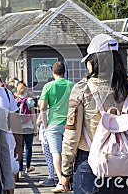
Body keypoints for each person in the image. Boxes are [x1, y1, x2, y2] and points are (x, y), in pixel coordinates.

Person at [61, 34, 128, 194]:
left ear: (94, 62)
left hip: (90, 166)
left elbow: (72, 136)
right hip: (125, 167)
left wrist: (65, 171)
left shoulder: (82, 90)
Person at [38, 61, 75, 193]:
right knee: (70, 153)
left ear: (53, 73)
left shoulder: (48, 86)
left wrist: (45, 125)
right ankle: (70, 179)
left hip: (53, 124)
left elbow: (42, 108)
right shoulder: (72, 85)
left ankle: (60, 181)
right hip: (70, 124)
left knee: (56, 154)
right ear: (64, 72)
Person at [15, 82, 37, 178]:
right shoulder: (29, 101)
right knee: (28, 147)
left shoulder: (15, 101)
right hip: (28, 127)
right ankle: (28, 167)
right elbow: (33, 115)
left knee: (20, 148)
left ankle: (20, 170)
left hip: (18, 127)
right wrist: (35, 127)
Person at [36, 112, 56, 187]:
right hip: (55, 133)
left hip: (45, 135)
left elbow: (38, 122)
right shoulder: (56, 109)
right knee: (57, 156)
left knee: (49, 158)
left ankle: (51, 177)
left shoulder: (44, 110)